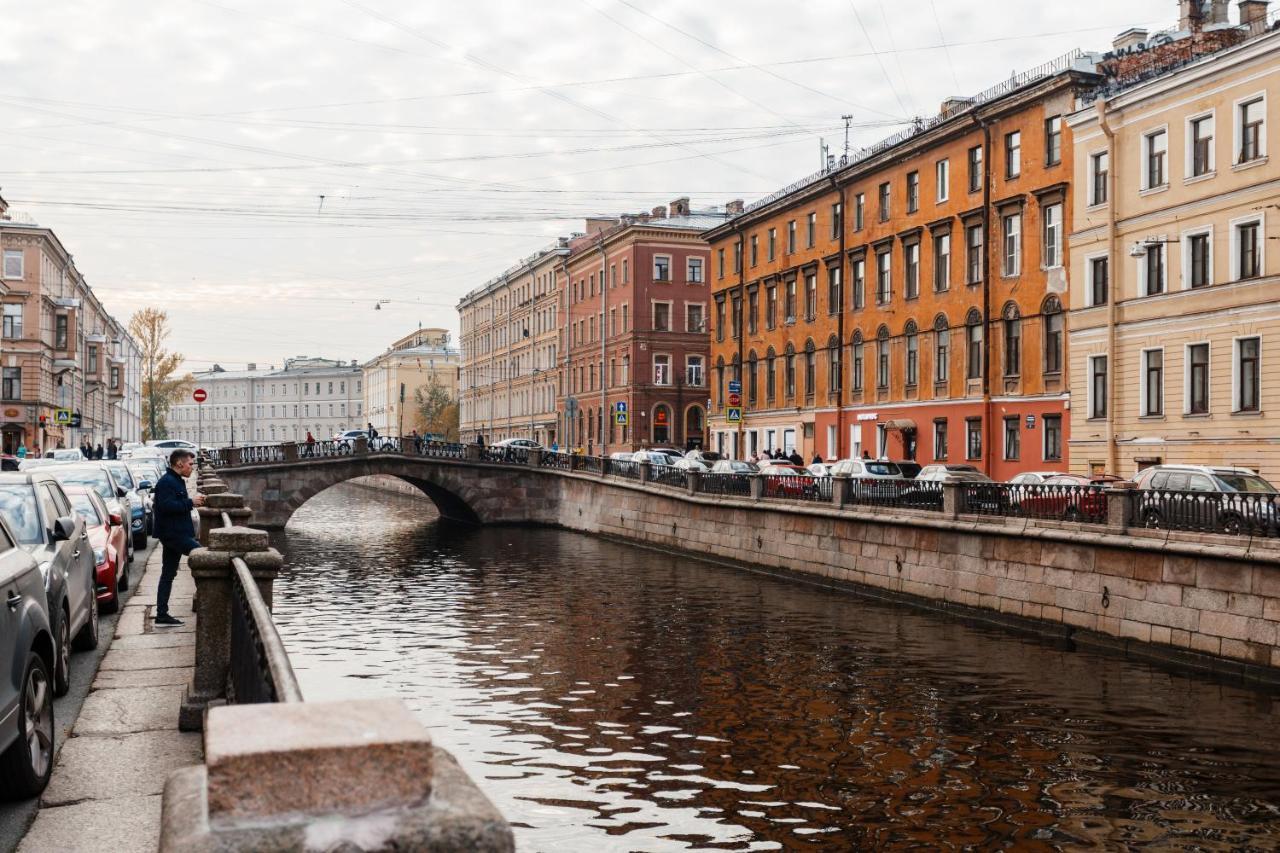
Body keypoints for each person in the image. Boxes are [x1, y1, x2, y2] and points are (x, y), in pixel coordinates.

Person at [152, 449, 206, 627]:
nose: (192, 467)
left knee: (168, 574)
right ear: (179, 463)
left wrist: (190, 502)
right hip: (174, 534)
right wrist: (191, 502)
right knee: (203, 556)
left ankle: (162, 615)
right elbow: (167, 506)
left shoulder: (175, 480)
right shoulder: (167, 482)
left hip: (174, 533)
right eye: (190, 464)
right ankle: (207, 598)